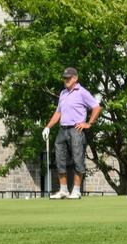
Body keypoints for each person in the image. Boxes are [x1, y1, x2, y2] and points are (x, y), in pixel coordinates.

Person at [42, 67, 101, 200]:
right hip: (62, 130)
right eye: (65, 78)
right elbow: (58, 113)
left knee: (78, 160)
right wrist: (48, 127)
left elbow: (96, 107)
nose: (66, 80)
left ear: (75, 78)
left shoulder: (82, 92)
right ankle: (63, 190)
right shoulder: (63, 93)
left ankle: (76, 190)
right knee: (59, 159)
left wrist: (89, 124)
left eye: (68, 78)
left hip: (76, 130)